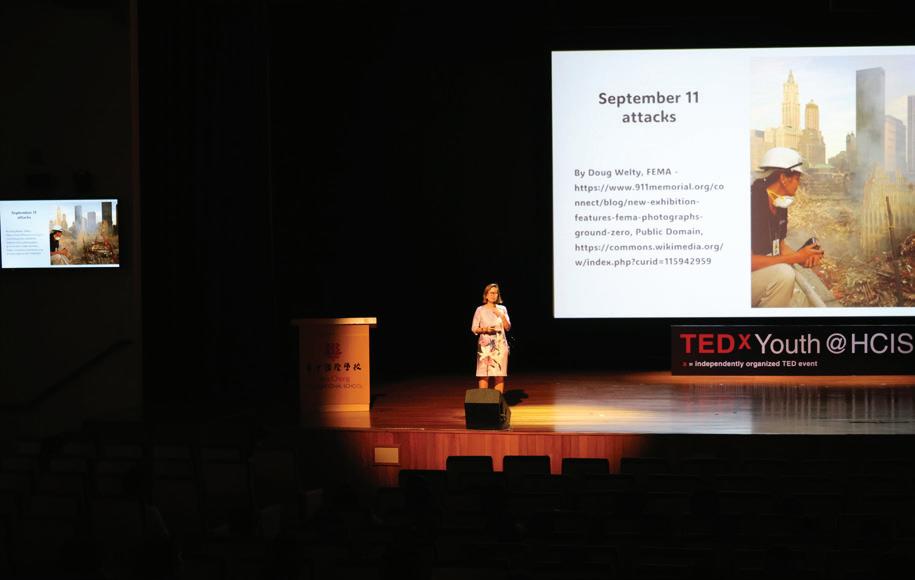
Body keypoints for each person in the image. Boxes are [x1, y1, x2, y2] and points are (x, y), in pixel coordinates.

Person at [751, 147, 824, 307]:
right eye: (797, 178)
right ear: (784, 178)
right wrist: (796, 258)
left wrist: (803, 257)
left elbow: (780, 246)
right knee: (784, 275)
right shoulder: (751, 202)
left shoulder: (780, 203)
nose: (799, 184)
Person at [471, 283, 511, 392]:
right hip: (485, 345)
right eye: (491, 293)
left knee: (499, 373)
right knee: (484, 374)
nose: (494, 295)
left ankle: (498, 400)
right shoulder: (480, 309)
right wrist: (485, 329)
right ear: (486, 295)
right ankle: (483, 400)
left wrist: (501, 315)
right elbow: (474, 328)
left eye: (496, 293)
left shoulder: (502, 309)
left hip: (500, 345)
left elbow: (508, 327)